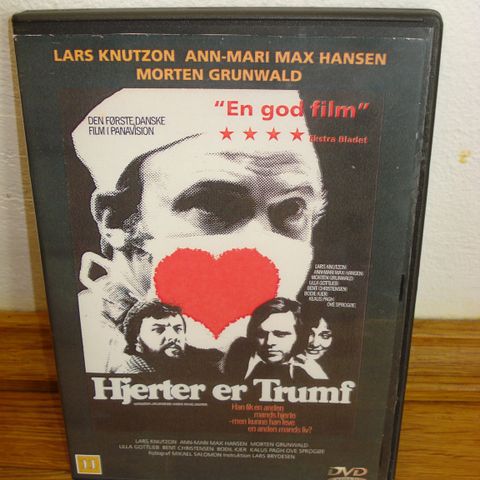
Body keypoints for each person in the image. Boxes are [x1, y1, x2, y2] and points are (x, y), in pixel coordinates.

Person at [72, 89, 326, 372]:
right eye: (214, 204)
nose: (260, 242)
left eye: (292, 208)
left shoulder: (299, 368)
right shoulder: (86, 353)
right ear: (116, 221)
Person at [115, 300, 221, 382]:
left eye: (177, 329)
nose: (173, 336)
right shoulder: (133, 381)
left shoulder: (168, 358)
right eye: (159, 330)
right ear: (136, 341)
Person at [223, 298, 307, 384]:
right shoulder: (233, 365)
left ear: (300, 336)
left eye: (280, 334)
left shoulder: (309, 371)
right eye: (261, 334)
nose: (269, 342)